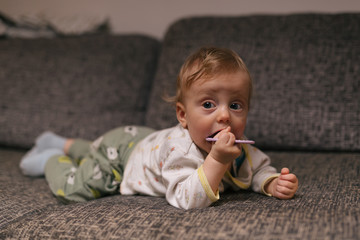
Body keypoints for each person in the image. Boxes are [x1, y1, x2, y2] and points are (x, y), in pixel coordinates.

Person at [20, 47, 298, 209]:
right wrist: (216, 160)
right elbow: (186, 199)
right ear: (182, 115)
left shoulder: (239, 146)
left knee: (95, 147)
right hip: (123, 158)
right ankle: (52, 157)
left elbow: (258, 167)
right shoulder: (181, 150)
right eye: (209, 104)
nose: (225, 116)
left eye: (236, 106)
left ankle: (61, 141)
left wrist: (271, 182)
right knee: (75, 189)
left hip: (143, 141)